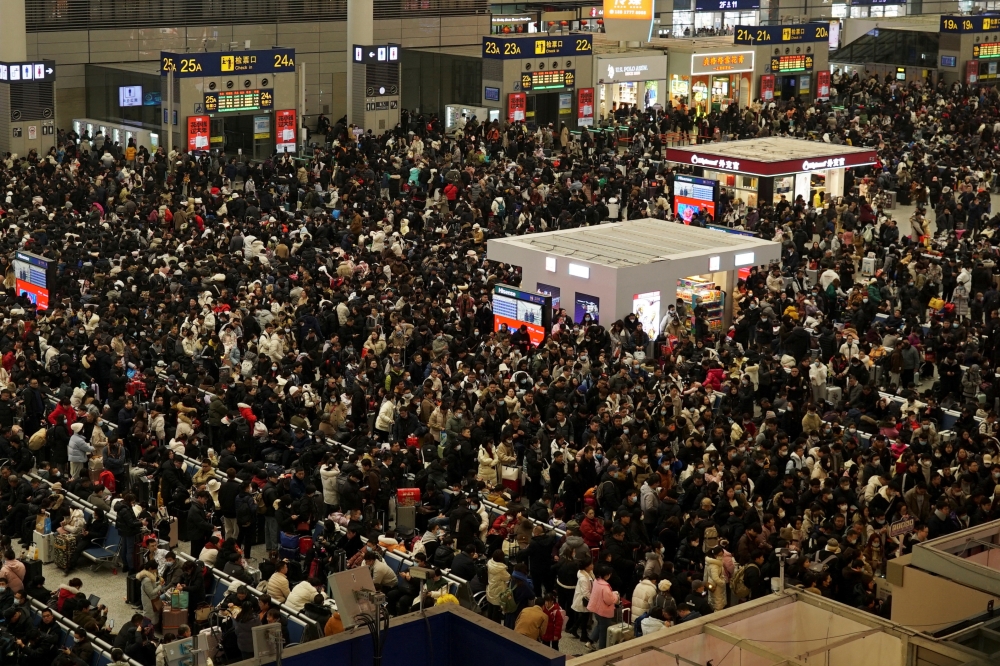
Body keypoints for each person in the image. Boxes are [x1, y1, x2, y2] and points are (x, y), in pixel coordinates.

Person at [585, 565, 619, 651]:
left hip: (596, 609)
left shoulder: (596, 581)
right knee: (604, 632)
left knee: (599, 626)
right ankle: (602, 650)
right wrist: (615, 595)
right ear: (606, 575)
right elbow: (609, 601)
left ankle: (590, 641)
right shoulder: (605, 587)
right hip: (604, 612)